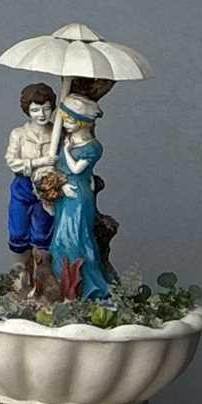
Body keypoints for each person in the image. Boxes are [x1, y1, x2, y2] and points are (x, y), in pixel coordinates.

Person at [49, 87, 117, 302]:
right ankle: (64, 287)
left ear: (83, 122)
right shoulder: (66, 140)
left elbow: (77, 170)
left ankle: (90, 287)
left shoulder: (92, 147)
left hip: (78, 196)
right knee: (58, 241)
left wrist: (67, 152)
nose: (66, 124)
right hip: (65, 194)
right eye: (65, 119)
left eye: (70, 120)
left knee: (74, 240)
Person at [5, 82, 60, 289]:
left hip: (47, 188)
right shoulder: (19, 134)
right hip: (24, 186)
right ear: (27, 110)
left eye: (46, 108)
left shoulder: (57, 134)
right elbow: (12, 161)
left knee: (42, 233)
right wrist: (37, 162)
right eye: (35, 109)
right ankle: (20, 273)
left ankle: (41, 277)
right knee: (18, 231)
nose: (41, 114)